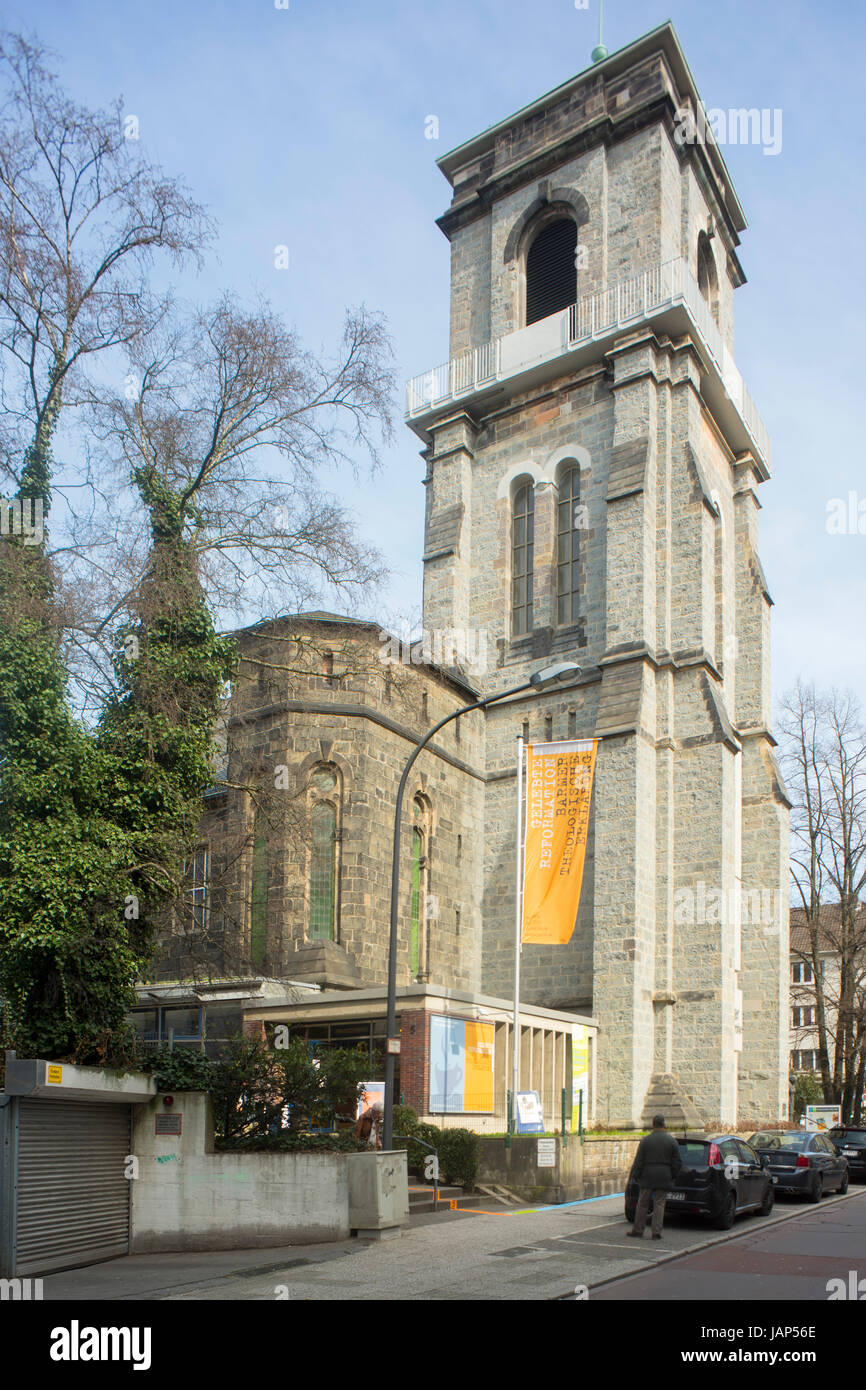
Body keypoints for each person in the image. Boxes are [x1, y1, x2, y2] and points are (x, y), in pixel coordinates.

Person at [627, 1113, 683, 1239]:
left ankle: (638, 1230)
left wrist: (636, 1175)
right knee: (659, 1204)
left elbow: (638, 1161)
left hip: (647, 1176)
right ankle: (656, 1232)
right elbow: (678, 1162)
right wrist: (672, 1175)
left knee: (642, 1203)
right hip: (664, 1176)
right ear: (664, 1125)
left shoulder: (645, 1141)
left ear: (653, 1125)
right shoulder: (671, 1141)